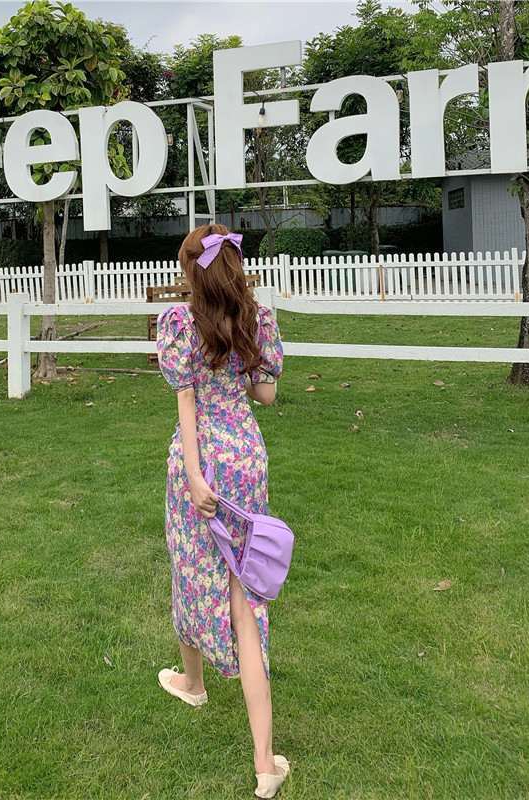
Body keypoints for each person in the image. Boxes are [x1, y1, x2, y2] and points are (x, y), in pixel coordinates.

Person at [155, 223, 289, 798]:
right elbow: (266, 395)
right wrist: (247, 356)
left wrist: (193, 473)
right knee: (245, 598)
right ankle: (264, 764)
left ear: (192, 271)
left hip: (202, 460)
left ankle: (194, 681)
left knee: (189, 567)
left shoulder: (181, 323)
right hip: (246, 460)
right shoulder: (256, 320)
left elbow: (186, 401)